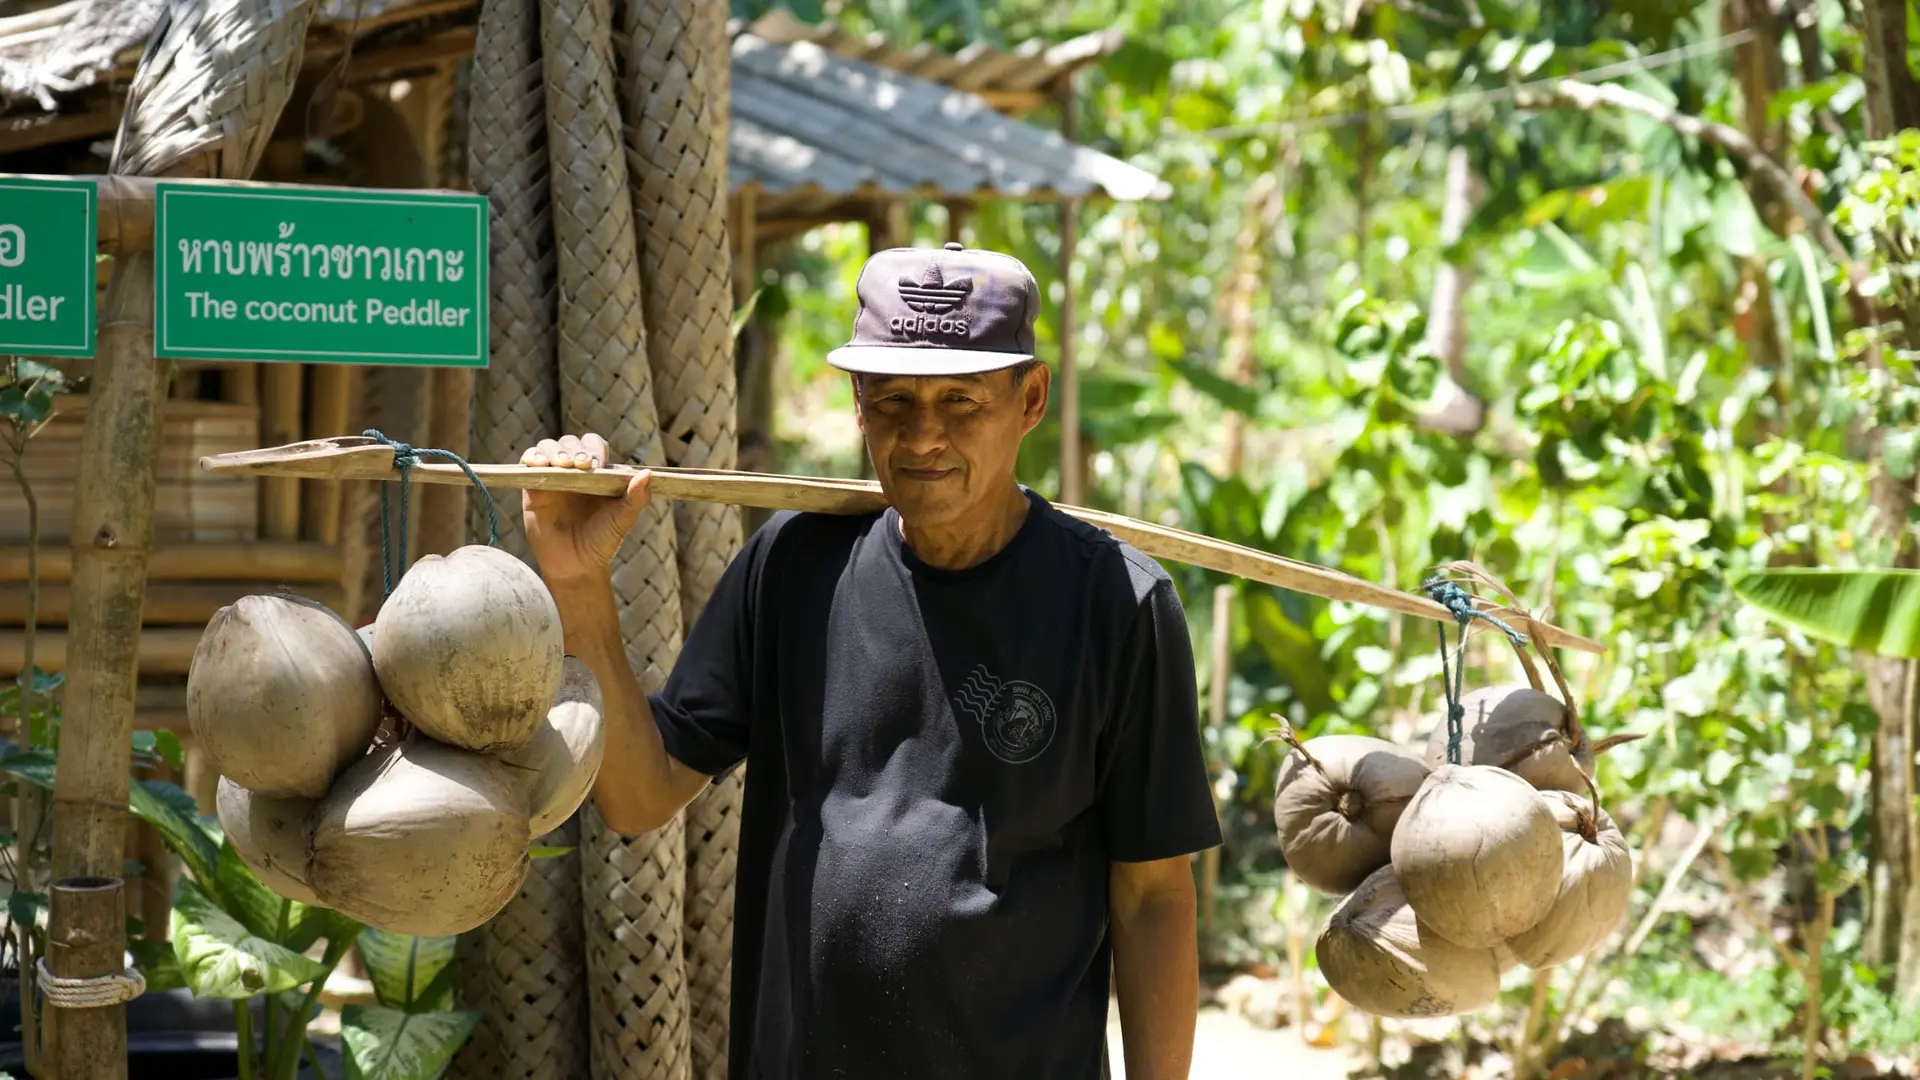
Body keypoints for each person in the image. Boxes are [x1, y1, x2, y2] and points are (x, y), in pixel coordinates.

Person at [517, 242, 1222, 1079]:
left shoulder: (1115, 604)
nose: (923, 435)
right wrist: (577, 584)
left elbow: (1152, 897)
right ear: (858, 404)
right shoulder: (793, 569)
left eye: (961, 400)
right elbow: (639, 795)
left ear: (1030, 399)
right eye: (893, 400)